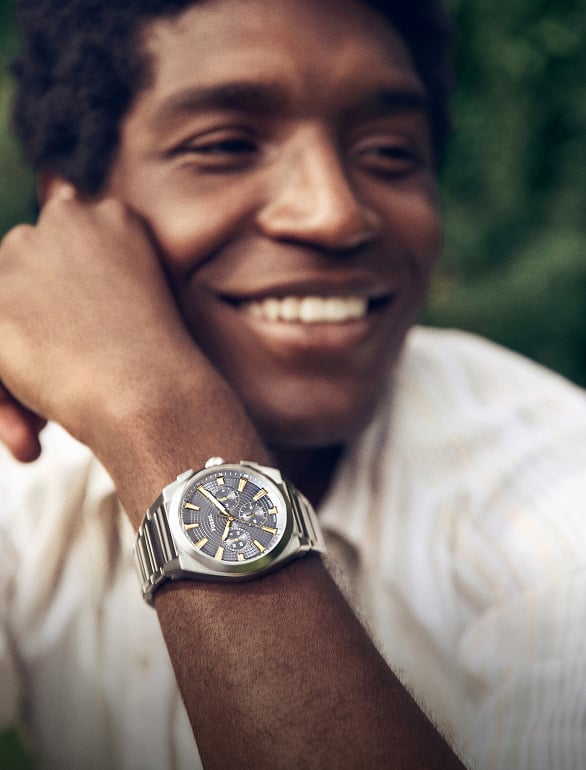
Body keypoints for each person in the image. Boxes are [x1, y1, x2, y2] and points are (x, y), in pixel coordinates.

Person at [1, 0, 585, 768]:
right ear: (71, 215)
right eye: (226, 145)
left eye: (388, 153)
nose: (334, 212)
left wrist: (163, 419)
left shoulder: (560, 497)